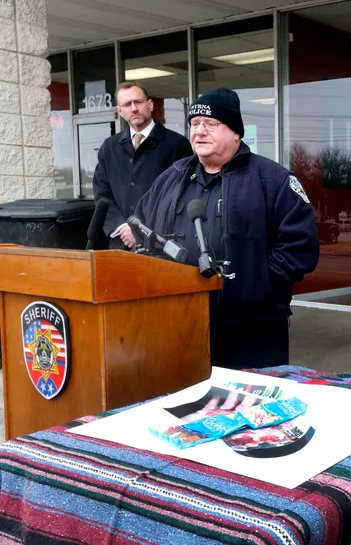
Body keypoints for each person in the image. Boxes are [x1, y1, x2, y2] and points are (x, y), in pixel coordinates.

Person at [135, 87, 319, 369]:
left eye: (210, 124)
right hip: (181, 324)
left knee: (251, 409)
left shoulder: (273, 181)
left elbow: (301, 248)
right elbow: (143, 229)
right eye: (194, 124)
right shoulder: (170, 179)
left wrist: (256, 286)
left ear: (236, 133)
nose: (199, 132)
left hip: (252, 330)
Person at [93, 82, 192, 249]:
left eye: (138, 102)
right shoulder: (109, 147)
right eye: (127, 104)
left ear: (150, 104)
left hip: (161, 242)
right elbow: (102, 195)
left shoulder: (178, 145)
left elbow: (181, 196)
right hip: (120, 241)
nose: (134, 108)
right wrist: (122, 227)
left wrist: (141, 230)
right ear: (120, 111)